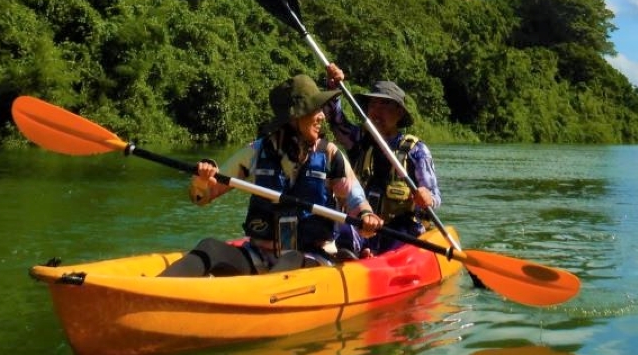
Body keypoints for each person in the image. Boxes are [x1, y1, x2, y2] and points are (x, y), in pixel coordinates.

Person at [160, 73, 383, 277]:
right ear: (294, 119)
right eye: (314, 110)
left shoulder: (330, 155)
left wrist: (366, 216)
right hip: (260, 255)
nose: (322, 117)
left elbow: (355, 198)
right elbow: (204, 196)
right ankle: (159, 291)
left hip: (313, 258)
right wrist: (201, 182)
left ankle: (252, 300)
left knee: (291, 257)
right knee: (209, 246)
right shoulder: (257, 151)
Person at [324, 64, 442, 255]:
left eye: (385, 105)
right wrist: (334, 86)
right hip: (364, 224)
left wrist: (427, 198)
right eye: (373, 104)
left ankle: (374, 256)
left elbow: (435, 196)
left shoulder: (416, 151)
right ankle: (356, 256)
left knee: (397, 237)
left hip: (399, 229)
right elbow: (336, 121)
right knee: (344, 230)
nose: (376, 111)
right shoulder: (359, 140)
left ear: (399, 113)